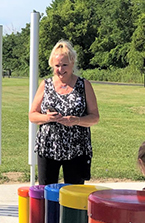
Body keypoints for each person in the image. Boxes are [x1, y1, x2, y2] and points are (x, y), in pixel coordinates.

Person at [29, 40, 100, 185]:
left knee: (74, 195)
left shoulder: (84, 85)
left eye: (64, 65)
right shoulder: (45, 85)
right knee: (46, 192)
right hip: (48, 147)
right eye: (57, 66)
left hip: (77, 149)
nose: (60, 69)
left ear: (72, 63)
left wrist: (76, 120)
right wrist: (47, 117)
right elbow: (32, 115)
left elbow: (95, 117)